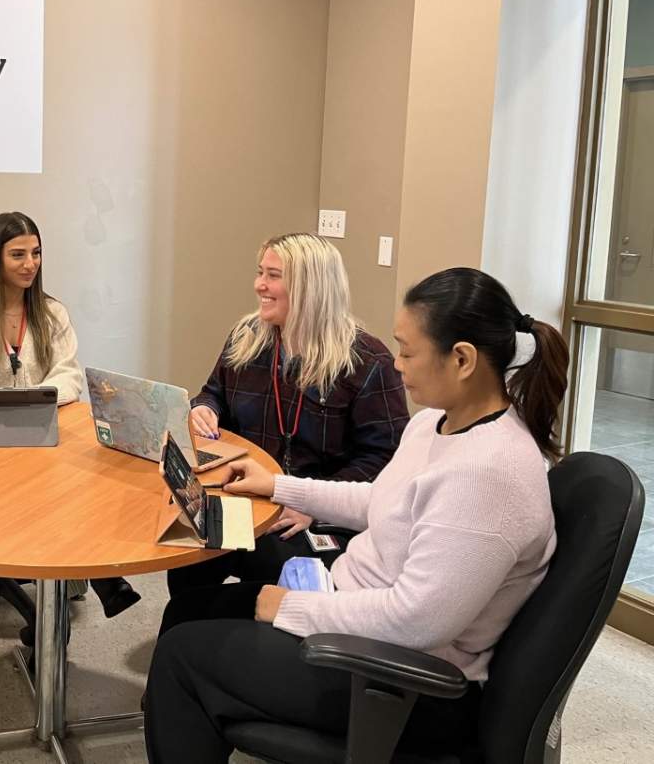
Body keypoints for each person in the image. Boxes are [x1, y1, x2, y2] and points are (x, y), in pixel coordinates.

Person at [144, 267, 569, 763]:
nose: (396, 364)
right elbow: (380, 502)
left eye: (408, 351)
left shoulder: (488, 474)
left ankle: (195, 706)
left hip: (400, 680)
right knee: (187, 613)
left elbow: (416, 623)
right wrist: (278, 486)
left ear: (462, 359)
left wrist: (286, 608)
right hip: (352, 611)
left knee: (182, 660)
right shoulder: (437, 422)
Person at [169, 232, 409, 597]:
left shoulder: (367, 362)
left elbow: (384, 460)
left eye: (273, 276)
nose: (259, 285)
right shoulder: (246, 337)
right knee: (188, 559)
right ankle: (194, 637)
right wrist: (205, 408)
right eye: (260, 272)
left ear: (311, 287)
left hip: (316, 511)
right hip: (248, 495)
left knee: (273, 559)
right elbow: (214, 392)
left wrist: (312, 505)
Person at [0, 211, 139, 617]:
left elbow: (69, 375)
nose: (30, 264)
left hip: (42, 438)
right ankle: (93, 577)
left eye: (36, 253)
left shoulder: (51, 313)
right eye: (18, 255)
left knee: (86, 480)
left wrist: (35, 399)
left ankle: (96, 573)